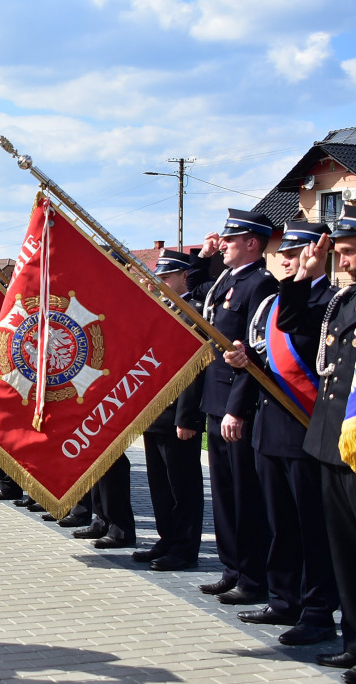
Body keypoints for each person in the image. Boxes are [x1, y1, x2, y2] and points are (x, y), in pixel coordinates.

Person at [223, 221, 338, 646]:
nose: (286, 260)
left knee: (311, 527)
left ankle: (317, 609)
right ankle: (285, 598)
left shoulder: (329, 301)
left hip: (305, 428)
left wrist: (303, 280)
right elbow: (261, 361)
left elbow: (298, 338)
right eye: (283, 255)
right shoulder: (272, 303)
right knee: (280, 524)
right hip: (269, 428)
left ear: (317, 252)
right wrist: (241, 364)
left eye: (295, 254)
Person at [276, 208, 356, 677]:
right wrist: (303, 275)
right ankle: (352, 642)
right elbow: (291, 323)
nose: (342, 263)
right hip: (330, 443)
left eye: (347, 253)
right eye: (340, 253)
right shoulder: (342, 302)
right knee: (342, 552)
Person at [187, 209, 278, 605]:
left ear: (252, 244)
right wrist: (202, 257)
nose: (223, 244)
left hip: (236, 405)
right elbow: (197, 302)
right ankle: (231, 567)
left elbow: (251, 352)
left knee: (245, 495)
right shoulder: (225, 279)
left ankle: (252, 576)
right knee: (223, 492)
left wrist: (238, 409)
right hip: (214, 399)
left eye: (231, 239)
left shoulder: (260, 284)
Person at [134, 249, 205, 571]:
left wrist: (187, 416)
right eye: (157, 277)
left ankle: (184, 547)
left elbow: (193, 370)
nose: (159, 283)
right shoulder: (162, 310)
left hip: (178, 414)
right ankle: (166, 539)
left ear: (183, 277)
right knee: (159, 486)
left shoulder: (194, 313)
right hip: (154, 411)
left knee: (183, 488)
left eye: (166, 278)